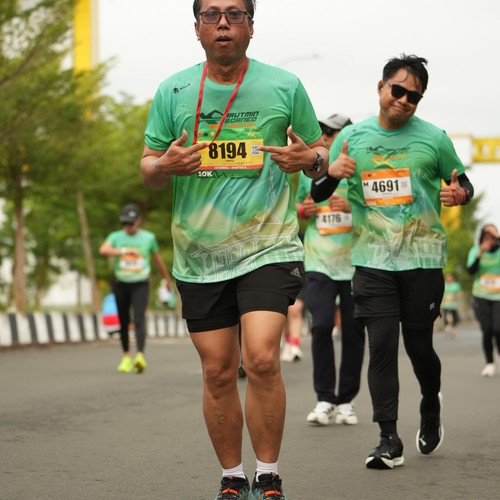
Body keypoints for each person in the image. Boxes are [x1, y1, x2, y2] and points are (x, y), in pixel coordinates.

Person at [139, 1, 329, 498]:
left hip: (268, 244)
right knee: (218, 370)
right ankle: (232, 477)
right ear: (197, 27)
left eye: (235, 14)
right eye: (212, 14)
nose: (223, 22)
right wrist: (164, 167)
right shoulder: (172, 90)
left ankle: (268, 473)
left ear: (250, 26)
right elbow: (149, 166)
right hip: (199, 255)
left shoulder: (285, 85)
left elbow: (320, 155)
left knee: (261, 358)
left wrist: (309, 159)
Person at [311, 54, 474, 469]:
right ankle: (388, 439)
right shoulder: (352, 138)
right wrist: (333, 172)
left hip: (422, 260)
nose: (403, 100)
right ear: (381, 87)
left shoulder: (434, 138)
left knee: (419, 347)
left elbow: (463, 183)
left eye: (413, 96)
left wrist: (459, 195)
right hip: (372, 261)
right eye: (398, 90)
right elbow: (317, 193)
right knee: (381, 345)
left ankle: (430, 404)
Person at [297, 113, 366, 426]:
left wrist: (352, 208)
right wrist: (304, 209)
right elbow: (296, 207)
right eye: (323, 131)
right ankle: (325, 399)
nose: (326, 136)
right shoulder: (309, 170)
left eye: (333, 131)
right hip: (318, 262)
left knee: (353, 330)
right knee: (321, 326)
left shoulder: (358, 170)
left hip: (354, 264)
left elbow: (378, 211)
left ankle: (346, 402)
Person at [99, 203, 173, 374]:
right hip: (121, 283)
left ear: (138, 221)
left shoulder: (148, 238)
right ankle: (126, 356)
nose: (128, 226)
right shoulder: (116, 237)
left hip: (140, 283)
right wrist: (124, 251)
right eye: (125, 223)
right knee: (123, 320)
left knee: (139, 318)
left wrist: (167, 279)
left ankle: (140, 356)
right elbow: (103, 249)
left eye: (131, 223)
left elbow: (157, 260)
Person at [467, 223, 500, 377]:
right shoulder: (475, 250)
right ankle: (489, 363)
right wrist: (480, 253)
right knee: (487, 330)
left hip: (498, 297)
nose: (489, 240)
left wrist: (497, 235)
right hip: (480, 296)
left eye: (492, 237)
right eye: (486, 237)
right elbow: (471, 271)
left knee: (498, 329)